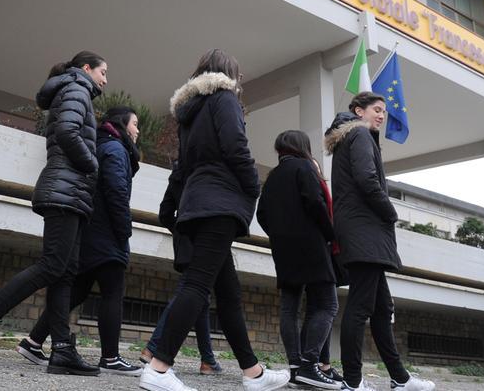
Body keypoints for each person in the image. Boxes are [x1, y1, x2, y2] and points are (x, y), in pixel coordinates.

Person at [140, 49, 289, 391]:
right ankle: (159, 368)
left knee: (229, 292)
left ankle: (252, 372)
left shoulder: (190, 112)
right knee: (196, 285)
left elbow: (184, 166)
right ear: (229, 74)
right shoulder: (224, 98)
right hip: (219, 202)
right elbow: (235, 145)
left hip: (199, 201)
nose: (241, 83)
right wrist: (253, 187)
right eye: (239, 76)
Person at [0, 51, 107, 376]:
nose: (105, 79)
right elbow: (68, 132)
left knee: (65, 271)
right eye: (103, 71)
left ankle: (63, 351)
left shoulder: (72, 89)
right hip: (65, 189)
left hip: (71, 190)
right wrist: (92, 164)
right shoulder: (77, 88)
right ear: (86, 68)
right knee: (53, 265)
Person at [18, 106, 142, 376]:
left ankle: (33, 341)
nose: (137, 130)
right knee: (113, 292)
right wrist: (124, 231)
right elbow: (116, 191)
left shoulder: (101, 145)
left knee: (77, 291)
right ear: (122, 124)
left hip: (89, 228)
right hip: (106, 231)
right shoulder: (115, 149)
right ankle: (110, 357)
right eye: (135, 124)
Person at [325, 92, 434, 391]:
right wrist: (390, 212)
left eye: (384, 111)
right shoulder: (359, 135)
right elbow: (367, 180)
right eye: (376, 109)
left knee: (382, 307)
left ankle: (400, 378)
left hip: (363, 232)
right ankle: (352, 381)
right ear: (358, 112)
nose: (382, 115)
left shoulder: (353, 137)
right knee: (360, 308)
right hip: (365, 232)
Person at [257, 130, 341, 390]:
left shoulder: (271, 177)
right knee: (327, 304)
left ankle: (295, 367)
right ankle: (309, 364)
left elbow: (261, 215)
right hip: (311, 245)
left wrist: (280, 235)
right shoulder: (304, 167)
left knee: (289, 307)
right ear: (302, 147)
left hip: (283, 249)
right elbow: (315, 203)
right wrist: (330, 234)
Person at [140, 158, 223, 376]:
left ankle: (208, 360)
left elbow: (165, 213)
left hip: (185, 241)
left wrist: (180, 230)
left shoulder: (178, 173)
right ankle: (153, 348)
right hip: (204, 239)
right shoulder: (206, 171)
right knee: (189, 292)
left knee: (200, 300)